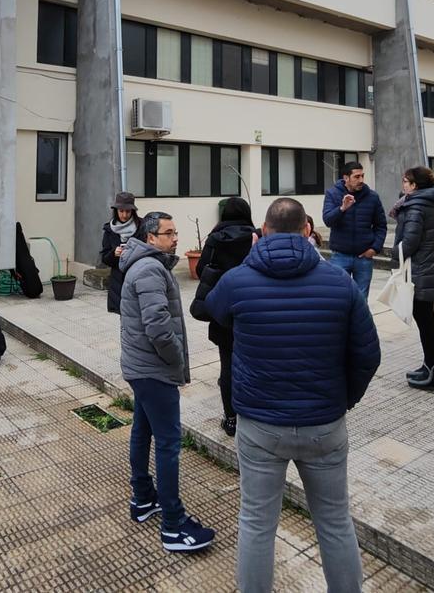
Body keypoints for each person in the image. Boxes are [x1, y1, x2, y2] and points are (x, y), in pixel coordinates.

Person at [206, 197, 380, 593]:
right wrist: (342, 400)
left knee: (255, 522)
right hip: (325, 425)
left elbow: (213, 311)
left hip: (260, 426)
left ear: (262, 232)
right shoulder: (340, 281)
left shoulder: (238, 280)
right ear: (308, 232)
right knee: (335, 522)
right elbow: (368, 354)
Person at [119, 211, 215, 553]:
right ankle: (174, 525)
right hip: (153, 369)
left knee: (143, 431)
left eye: (175, 232)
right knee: (168, 443)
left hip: (142, 367)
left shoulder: (147, 265)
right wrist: (176, 360)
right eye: (168, 233)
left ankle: (143, 498)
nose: (175, 238)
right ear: (150, 238)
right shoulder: (148, 268)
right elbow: (157, 324)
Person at [189, 197, 255, 438]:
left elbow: (199, 270)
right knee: (253, 364)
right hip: (252, 308)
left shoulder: (215, 239)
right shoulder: (256, 237)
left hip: (222, 308)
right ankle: (253, 413)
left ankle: (231, 418)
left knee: (227, 365)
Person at [390, 166, 434, 392]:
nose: (403, 185)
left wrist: (392, 254)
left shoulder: (415, 207)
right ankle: (430, 366)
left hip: (420, 273)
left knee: (425, 322)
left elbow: (410, 243)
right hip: (428, 269)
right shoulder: (430, 203)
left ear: (415, 185)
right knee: (427, 321)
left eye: (406, 182)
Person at [322, 161, 386, 299]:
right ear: (346, 178)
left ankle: (358, 322)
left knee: (361, 299)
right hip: (340, 256)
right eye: (357, 177)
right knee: (338, 297)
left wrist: (374, 248)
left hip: (363, 257)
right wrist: (342, 208)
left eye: (362, 176)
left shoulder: (372, 197)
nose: (361, 180)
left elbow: (381, 226)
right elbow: (327, 220)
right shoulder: (333, 194)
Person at [100, 192, 143, 313]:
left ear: (133, 211)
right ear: (116, 211)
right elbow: (104, 258)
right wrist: (114, 253)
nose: (124, 215)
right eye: (121, 211)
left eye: (128, 211)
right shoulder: (109, 230)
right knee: (124, 318)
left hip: (139, 277)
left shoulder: (142, 226)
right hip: (119, 281)